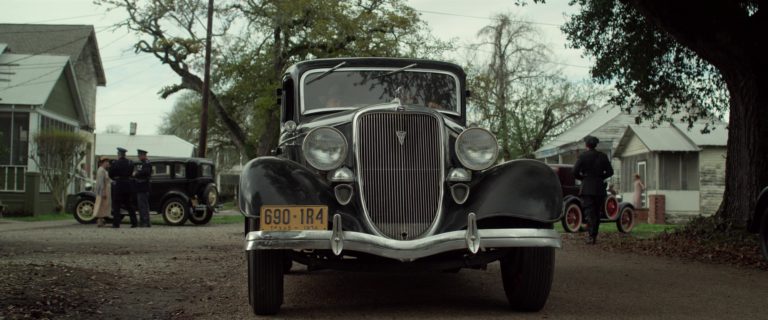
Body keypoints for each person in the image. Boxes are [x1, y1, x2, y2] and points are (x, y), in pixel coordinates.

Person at [573, 135, 614, 245]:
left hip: (587, 188)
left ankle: (591, 236)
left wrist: (584, 178)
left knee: (590, 213)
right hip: (600, 188)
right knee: (596, 212)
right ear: (596, 145)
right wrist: (600, 177)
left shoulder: (583, 156)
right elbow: (610, 172)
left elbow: (575, 172)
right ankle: (594, 235)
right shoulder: (603, 156)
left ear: (586, 145)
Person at [109, 147, 137, 228]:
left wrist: (115, 178)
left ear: (119, 154)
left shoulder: (116, 163)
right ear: (124, 154)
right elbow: (131, 172)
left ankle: (116, 223)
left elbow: (110, 174)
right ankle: (134, 222)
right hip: (128, 185)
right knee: (129, 205)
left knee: (116, 205)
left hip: (119, 185)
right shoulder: (130, 162)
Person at [134, 149, 152, 227]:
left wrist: (136, 173)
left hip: (143, 187)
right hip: (141, 187)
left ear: (143, 155)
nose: (138, 156)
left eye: (139, 155)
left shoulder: (147, 163)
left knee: (143, 205)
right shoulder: (142, 163)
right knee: (142, 205)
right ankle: (144, 221)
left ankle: (145, 221)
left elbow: (146, 172)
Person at [93, 157, 112, 227]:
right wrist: (103, 191)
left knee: (104, 205)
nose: (108, 163)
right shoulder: (101, 170)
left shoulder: (104, 170)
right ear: (103, 162)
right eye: (106, 162)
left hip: (106, 189)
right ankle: (99, 220)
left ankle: (101, 220)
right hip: (103, 190)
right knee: (101, 205)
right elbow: (100, 182)